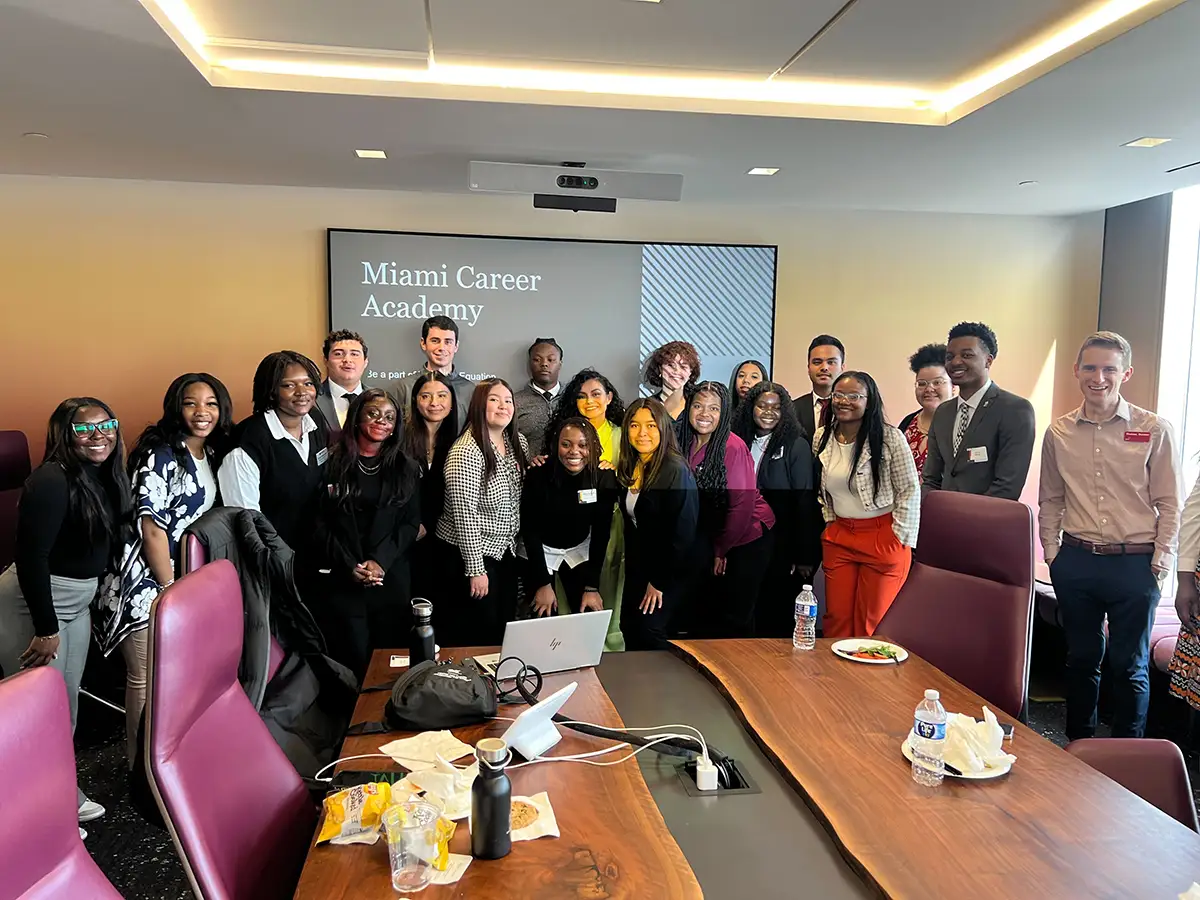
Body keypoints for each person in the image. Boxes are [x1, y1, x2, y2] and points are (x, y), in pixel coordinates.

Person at [1039, 332, 1180, 740]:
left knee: (1129, 665)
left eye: (1109, 369)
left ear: (1126, 374)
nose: (1098, 377)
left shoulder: (1154, 429)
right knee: (1081, 659)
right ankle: (1078, 747)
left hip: (1136, 563)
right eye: (1090, 367)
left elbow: (1171, 503)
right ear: (1076, 371)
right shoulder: (1059, 433)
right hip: (1076, 561)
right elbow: (1051, 498)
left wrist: (1161, 561)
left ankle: (1127, 754)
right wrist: (1053, 554)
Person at [0, 398, 133, 829]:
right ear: (64, 434)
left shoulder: (105, 475)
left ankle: (60, 793)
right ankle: (39, 820)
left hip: (75, 603)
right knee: (34, 716)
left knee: (65, 708)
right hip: (35, 604)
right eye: (84, 428)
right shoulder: (51, 480)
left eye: (106, 425)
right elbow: (31, 558)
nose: (99, 435)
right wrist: (45, 628)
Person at [94, 374, 233, 770]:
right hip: (142, 581)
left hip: (182, 580)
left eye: (211, 404)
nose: (202, 412)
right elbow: (151, 527)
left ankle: (170, 763)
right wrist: (169, 588)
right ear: (176, 408)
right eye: (191, 403)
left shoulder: (209, 453)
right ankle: (140, 770)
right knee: (145, 677)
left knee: (176, 677)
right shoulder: (161, 454)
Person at [310, 390, 421, 680]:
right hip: (344, 578)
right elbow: (320, 524)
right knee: (351, 663)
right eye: (373, 413)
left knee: (391, 664)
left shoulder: (406, 468)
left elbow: (410, 524)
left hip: (390, 578)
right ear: (357, 417)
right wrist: (350, 565)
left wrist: (380, 561)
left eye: (389, 417)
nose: (381, 421)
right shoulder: (331, 463)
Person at [814, 372, 920, 639]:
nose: (844, 401)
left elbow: (909, 489)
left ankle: (867, 669)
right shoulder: (822, 436)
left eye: (854, 396)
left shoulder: (890, 438)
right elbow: (823, 490)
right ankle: (833, 669)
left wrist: (901, 537)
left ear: (869, 400)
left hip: (882, 536)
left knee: (871, 624)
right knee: (836, 620)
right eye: (838, 395)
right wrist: (830, 521)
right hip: (840, 536)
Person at [434, 379, 529, 646]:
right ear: (479, 405)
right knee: (475, 634)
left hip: (504, 552)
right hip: (468, 556)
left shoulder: (517, 442)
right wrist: (475, 569)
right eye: (494, 400)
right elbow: (465, 516)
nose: (503, 406)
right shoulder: (466, 450)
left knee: (502, 631)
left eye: (508, 401)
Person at [678, 381, 776, 638]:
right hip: (713, 535)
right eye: (698, 406)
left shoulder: (732, 446)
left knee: (736, 614)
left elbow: (741, 507)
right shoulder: (685, 440)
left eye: (714, 408)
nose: (704, 414)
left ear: (723, 413)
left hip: (746, 536)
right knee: (709, 611)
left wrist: (721, 550)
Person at [544, 368, 628, 648]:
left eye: (596, 394)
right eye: (582, 396)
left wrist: (613, 475)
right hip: (570, 530)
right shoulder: (564, 432)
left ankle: (608, 643)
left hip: (609, 523)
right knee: (571, 592)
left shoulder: (622, 435)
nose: (589, 401)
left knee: (607, 582)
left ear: (609, 398)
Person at [732, 381, 822, 637]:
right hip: (744, 542)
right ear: (751, 408)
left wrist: (804, 555)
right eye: (762, 406)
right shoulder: (739, 440)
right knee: (743, 611)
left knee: (774, 614)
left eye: (776, 407)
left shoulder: (796, 445)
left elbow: (805, 501)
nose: (768, 412)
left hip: (781, 546)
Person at [219, 350, 330, 550]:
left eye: (308, 383)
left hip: (315, 550)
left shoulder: (315, 422)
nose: (302, 392)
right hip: (271, 555)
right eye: (289, 385)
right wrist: (279, 559)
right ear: (271, 391)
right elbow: (248, 522)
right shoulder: (247, 443)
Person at [615, 398, 699, 650]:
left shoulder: (675, 470)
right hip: (639, 569)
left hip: (668, 573)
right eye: (634, 425)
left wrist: (659, 582)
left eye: (651, 425)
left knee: (649, 634)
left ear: (663, 428)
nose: (642, 433)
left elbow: (682, 534)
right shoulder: (632, 464)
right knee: (629, 627)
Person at [922, 322, 1036, 500]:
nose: (956, 362)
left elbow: (1007, 487)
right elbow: (931, 479)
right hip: (941, 515)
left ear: (988, 361)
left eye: (966, 355)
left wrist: (963, 513)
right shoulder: (943, 412)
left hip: (989, 516)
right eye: (950, 357)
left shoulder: (1015, 410)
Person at [521, 418, 616, 617]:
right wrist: (543, 583)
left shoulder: (603, 477)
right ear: (556, 445)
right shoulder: (538, 474)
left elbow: (601, 533)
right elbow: (531, 531)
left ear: (593, 446)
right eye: (566, 444)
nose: (574, 451)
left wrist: (592, 587)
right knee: (543, 615)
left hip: (579, 549)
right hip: (541, 551)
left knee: (586, 613)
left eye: (583, 445)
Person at [402, 372, 460, 603]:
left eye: (442, 396)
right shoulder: (399, 439)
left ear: (452, 402)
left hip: (446, 537)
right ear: (415, 401)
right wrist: (412, 525)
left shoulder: (460, 441)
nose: (434, 403)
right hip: (408, 535)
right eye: (426, 396)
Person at [394, 316, 474, 431]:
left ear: (456, 346)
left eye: (448, 342)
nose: (442, 348)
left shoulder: (470, 390)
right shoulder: (404, 388)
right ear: (423, 343)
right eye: (435, 341)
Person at [897, 344, 955, 475]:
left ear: (953, 386)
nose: (929, 389)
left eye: (937, 382)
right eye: (922, 384)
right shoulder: (907, 424)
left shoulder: (964, 424)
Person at [513, 337, 564, 457]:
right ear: (530, 364)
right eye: (537, 359)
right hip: (528, 468)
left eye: (551, 360)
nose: (544, 364)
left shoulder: (573, 398)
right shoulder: (513, 402)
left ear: (560, 364)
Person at [315, 329, 370, 438]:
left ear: (365, 362)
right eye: (338, 354)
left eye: (354, 354)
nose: (347, 360)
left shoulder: (378, 398)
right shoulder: (311, 399)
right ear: (326, 360)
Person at [794, 335, 845, 441]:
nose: (824, 368)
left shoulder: (851, 408)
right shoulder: (792, 409)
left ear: (842, 368)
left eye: (831, 362)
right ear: (808, 368)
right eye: (817, 362)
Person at [643, 341, 700, 421]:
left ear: (691, 372)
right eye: (670, 365)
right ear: (660, 368)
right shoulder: (647, 406)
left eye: (683, 367)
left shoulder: (698, 404)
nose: (676, 371)